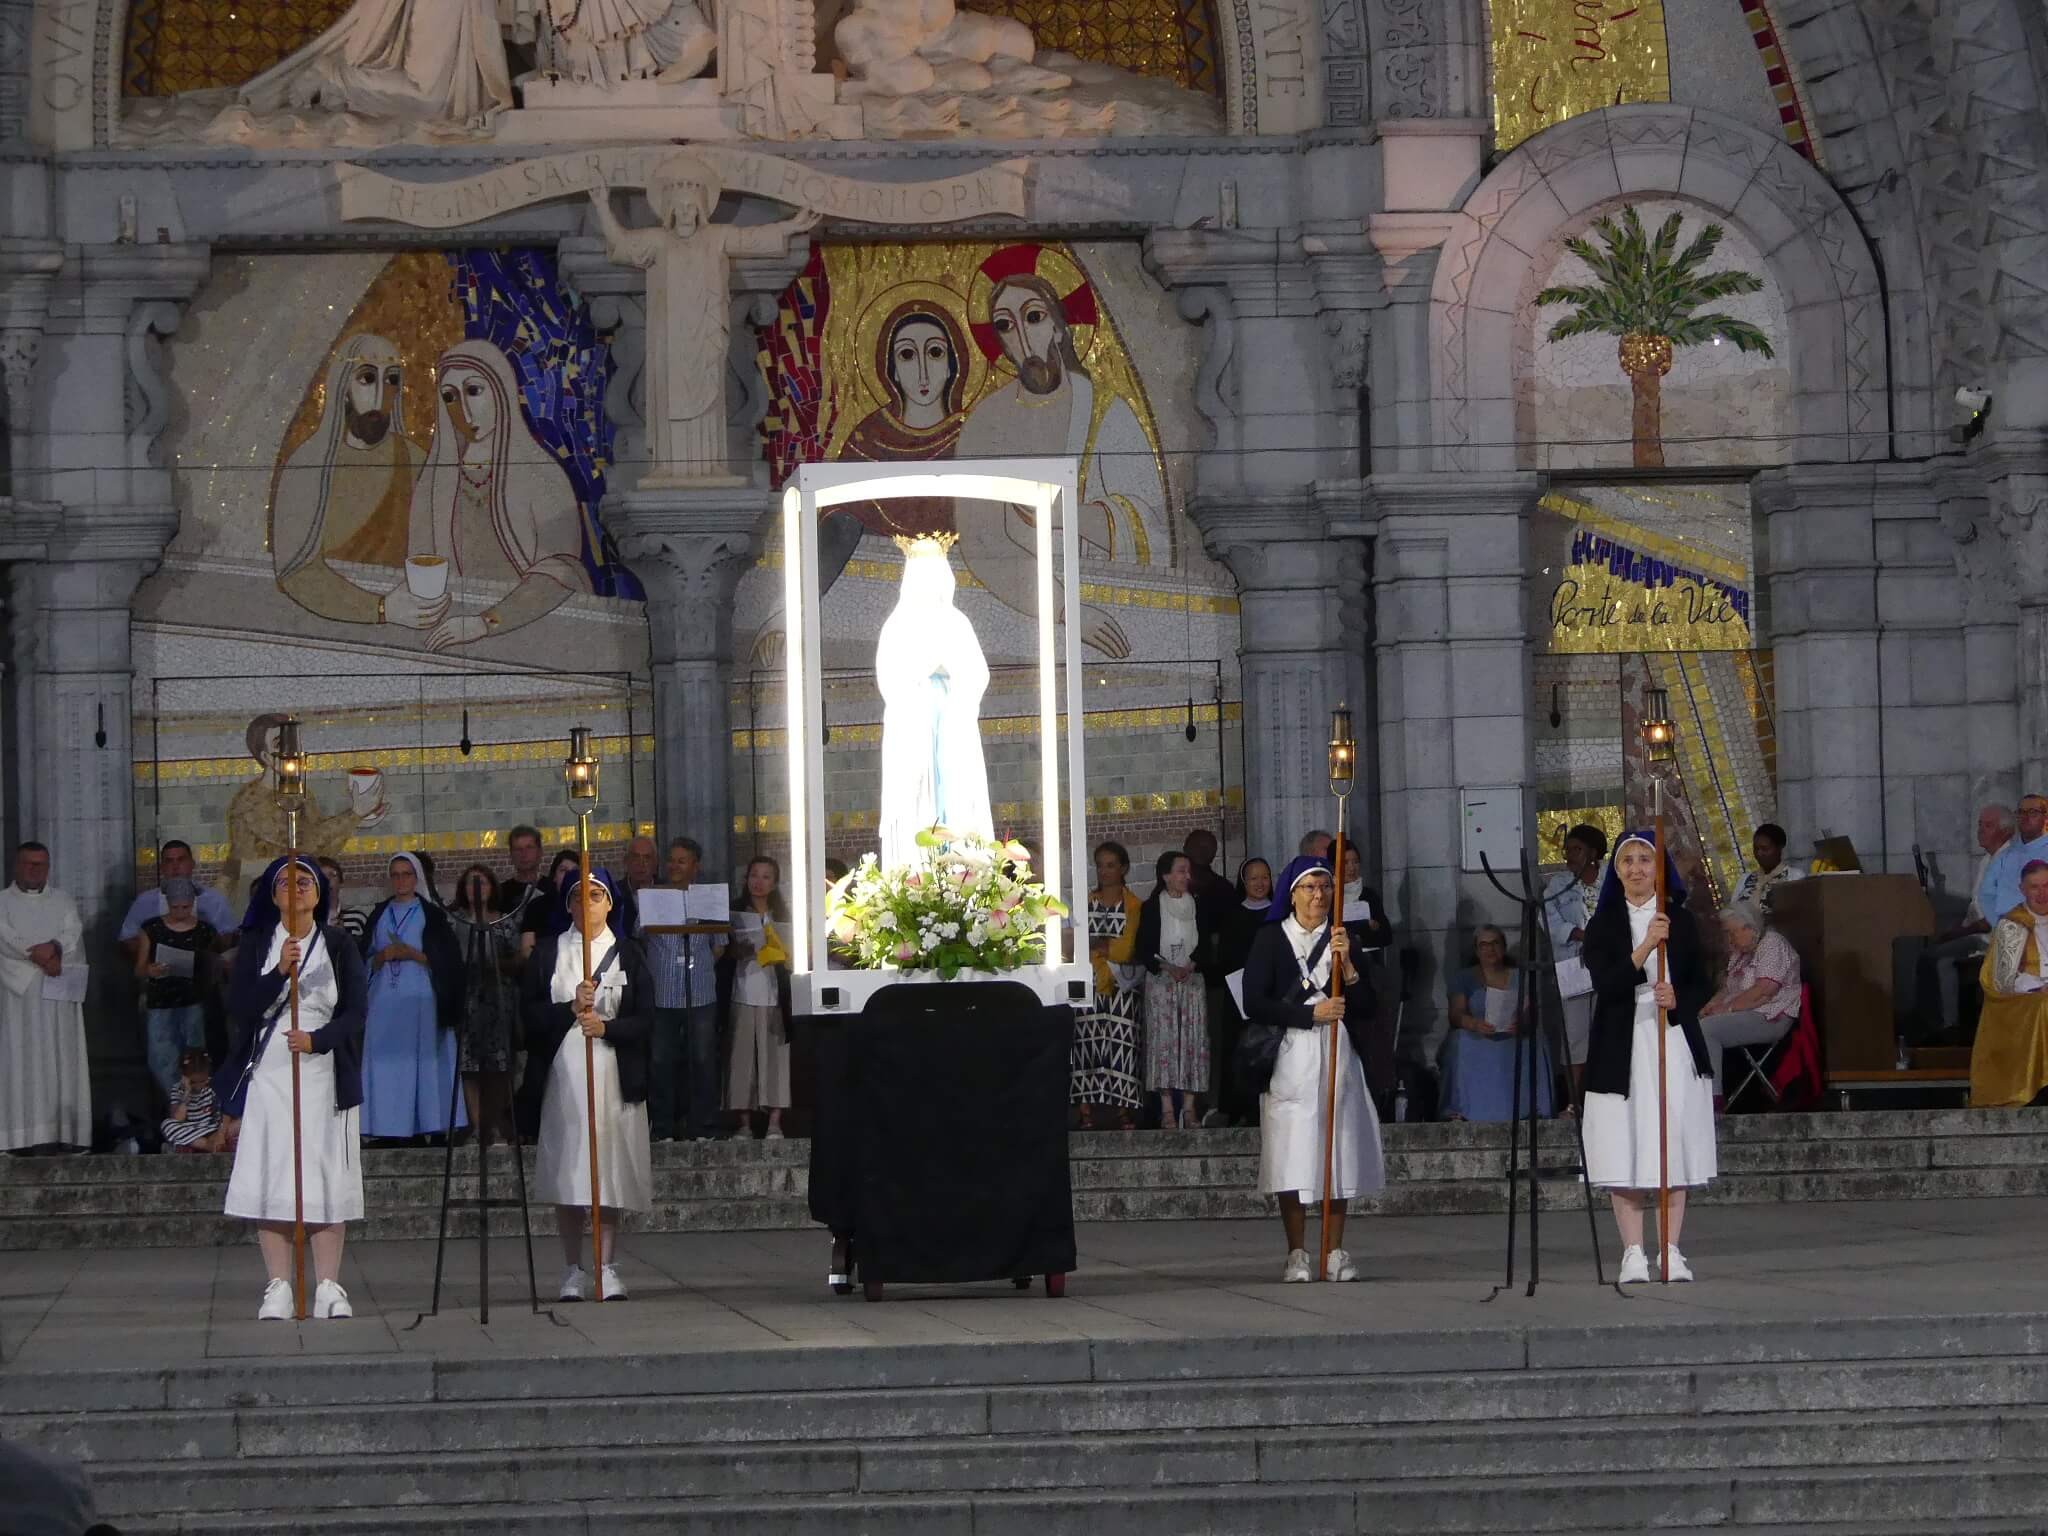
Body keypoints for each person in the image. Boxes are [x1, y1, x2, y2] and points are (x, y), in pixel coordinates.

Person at [219, 856, 368, 1320]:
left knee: (324, 1176)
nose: (294, 887)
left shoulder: (340, 944)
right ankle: (279, 1285)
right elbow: (240, 1007)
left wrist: (317, 1040)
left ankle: (328, 1285)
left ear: (320, 893)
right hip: (272, 1072)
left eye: (304, 881)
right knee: (275, 1174)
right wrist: (278, 972)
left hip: (323, 1070)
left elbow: (357, 1012)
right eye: (284, 881)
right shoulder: (259, 942)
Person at [1580, 832, 1716, 1284]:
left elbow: (1703, 980)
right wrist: (1644, 946)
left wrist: (1679, 996)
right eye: (1628, 861)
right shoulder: (1603, 925)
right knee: (1626, 1143)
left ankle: (1671, 1250)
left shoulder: (1681, 919)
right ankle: (1633, 1251)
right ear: (1615, 871)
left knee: (1671, 1143)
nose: (1636, 868)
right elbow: (1609, 983)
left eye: (1644, 860)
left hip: (1672, 1041)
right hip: (1622, 1046)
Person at [1243, 856, 1384, 1282]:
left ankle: (1334, 1249)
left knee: (1338, 1146)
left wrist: (1352, 971)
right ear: (1292, 894)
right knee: (1293, 1150)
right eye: (1309, 888)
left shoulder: (1343, 938)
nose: (1318, 895)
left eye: (1325, 887)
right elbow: (1254, 1001)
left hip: (1337, 1054)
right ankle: (1297, 1252)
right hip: (1291, 1053)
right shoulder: (1272, 939)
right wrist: (1309, 1015)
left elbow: (1369, 1006)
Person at [527, 866, 654, 1302]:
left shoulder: (629, 954)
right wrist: (568, 1008)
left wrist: (608, 1029)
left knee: (609, 1169)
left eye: (596, 895)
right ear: (568, 906)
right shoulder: (549, 953)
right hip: (565, 1076)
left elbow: (647, 1020)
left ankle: (606, 1264)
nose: (588, 903)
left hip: (613, 1073)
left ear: (611, 903)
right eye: (579, 896)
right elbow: (527, 1018)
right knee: (570, 1170)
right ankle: (571, 1268)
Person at [359, 852, 465, 1143]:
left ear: (416, 877)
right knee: (386, 1066)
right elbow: (363, 957)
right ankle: (388, 1129)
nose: (401, 880)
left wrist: (413, 954)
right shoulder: (379, 913)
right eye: (395, 874)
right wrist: (380, 957)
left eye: (406, 874)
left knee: (424, 1063)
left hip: (421, 999)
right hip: (383, 1001)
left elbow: (448, 961)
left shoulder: (432, 915)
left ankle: (427, 1125)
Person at [0, 842, 89, 1155]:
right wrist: (33, 954)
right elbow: (5, 938)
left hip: (56, 1001)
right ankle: (16, 1137)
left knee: (61, 1062)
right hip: (17, 1003)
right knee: (19, 1063)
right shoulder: (2, 903)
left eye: (41, 864)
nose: (35, 870)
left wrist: (55, 949)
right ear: (16, 865)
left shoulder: (63, 901)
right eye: (29, 863)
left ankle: (64, 1133)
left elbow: (73, 933)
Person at [643, 836, 725, 1143]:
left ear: (696, 866)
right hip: (662, 992)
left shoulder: (709, 899)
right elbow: (641, 937)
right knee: (661, 1061)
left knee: (703, 1060)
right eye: (671, 860)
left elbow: (719, 945)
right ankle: (663, 1127)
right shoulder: (652, 896)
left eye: (682, 860)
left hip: (700, 991)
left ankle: (704, 1126)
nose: (674, 865)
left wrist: (698, 966)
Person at [1440, 925, 1554, 1122]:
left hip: (1512, 1034)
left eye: (1495, 943)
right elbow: (1456, 1014)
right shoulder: (1463, 978)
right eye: (1483, 944)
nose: (1490, 949)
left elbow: (1530, 1012)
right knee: (1459, 1040)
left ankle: (1534, 1109)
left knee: (1537, 1041)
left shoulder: (1520, 976)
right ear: (1476, 950)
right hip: (1479, 1034)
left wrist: (1522, 1022)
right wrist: (1475, 1024)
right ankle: (1460, 1109)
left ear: (1503, 946)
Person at [1924, 803, 2016, 1033]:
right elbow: (1975, 909)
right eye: (1979, 825)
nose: (1980, 830)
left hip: (1993, 940)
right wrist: (1954, 930)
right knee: (1929, 953)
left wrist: (1957, 932)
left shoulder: (2009, 862)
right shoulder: (1987, 860)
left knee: (1937, 960)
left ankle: (1949, 1026)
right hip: (1977, 933)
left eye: (1988, 825)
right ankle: (1935, 1023)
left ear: (2006, 832)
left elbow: (1993, 919)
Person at [1137, 849, 1211, 1129]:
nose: (1186, 876)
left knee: (1192, 1042)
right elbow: (1143, 948)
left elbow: (1206, 942)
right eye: (1180, 870)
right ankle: (1167, 1108)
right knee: (1164, 1043)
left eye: (1187, 871)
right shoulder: (1152, 906)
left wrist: (1190, 965)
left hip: (1191, 983)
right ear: (1165, 875)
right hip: (1162, 984)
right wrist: (1168, 968)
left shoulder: (1198, 905)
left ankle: (1189, 1109)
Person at [1699, 899, 1803, 1097]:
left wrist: (1727, 1009)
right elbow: (1727, 988)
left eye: (1732, 932)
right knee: (1693, 1025)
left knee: (1708, 1029)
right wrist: (1711, 1005)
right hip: (1745, 1012)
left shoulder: (1772, 943)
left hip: (1770, 1016)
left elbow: (1764, 992)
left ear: (1749, 927)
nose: (1729, 939)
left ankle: (1712, 1099)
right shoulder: (1742, 952)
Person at [1072, 840, 1144, 1127]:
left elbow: (1126, 948)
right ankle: (1085, 1110)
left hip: (1121, 986)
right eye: (1100, 865)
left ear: (1123, 868)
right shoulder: (1086, 902)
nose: (1104, 871)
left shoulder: (1134, 904)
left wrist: (1101, 947)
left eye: (1111, 865)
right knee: (1085, 1045)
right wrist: (1100, 946)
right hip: (1089, 984)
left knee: (1122, 1045)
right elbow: (1079, 942)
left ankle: (1122, 1109)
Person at [449, 864, 522, 1145]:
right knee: (468, 1065)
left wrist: (496, 965)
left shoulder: (504, 921)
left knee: (499, 1065)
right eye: (470, 883)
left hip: (498, 999)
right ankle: (478, 1125)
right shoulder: (455, 921)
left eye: (481, 882)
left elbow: (517, 958)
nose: (476, 888)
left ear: (492, 886)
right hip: (466, 999)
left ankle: (495, 1123)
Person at [1971, 859, 2048, 1108]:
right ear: (2022, 889)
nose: (2042, 893)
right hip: (2022, 1000)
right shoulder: (2012, 925)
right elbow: (2003, 979)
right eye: (2034, 887)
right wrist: (2038, 985)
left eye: (2047, 886)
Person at [727, 855, 793, 1139]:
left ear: (775, 883)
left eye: (766, 876)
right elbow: (722, 953)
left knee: (775, 1058)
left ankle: (775, 1122)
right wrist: (737, 949)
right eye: (754, 875)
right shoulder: (734, 912)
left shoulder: (784, 915)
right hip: (742, 990)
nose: (759, 882)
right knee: (742, 1058)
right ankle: (744, 1123)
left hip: (775, 993)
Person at [135, 876, 217, 1102]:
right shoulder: (151, 929)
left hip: (193, 1001)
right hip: (161, 1002)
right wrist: (150, 970)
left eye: (185, 907)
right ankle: (176, 1102)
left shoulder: (204, 930)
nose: (180, 912)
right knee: (161, 1058)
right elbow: (139, 969)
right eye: (175, 907)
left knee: (196, 1058)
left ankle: (194, 1106)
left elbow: (212, 967)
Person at [1542, 823, 1608, 1089]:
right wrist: (1579, 934)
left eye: (1577, 849)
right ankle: (1574, 1102)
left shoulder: (1612, 880)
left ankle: (1606, 1092)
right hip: (1573, 963)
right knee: (1575, 1034)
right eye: (1567, 850)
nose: (1570, 855)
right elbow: (1546, 917)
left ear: (1593, 852)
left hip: (1609, 962)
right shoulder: (1558, 884)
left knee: (1608, 1027)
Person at [117, 839, 234, 961]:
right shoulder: (144, 902)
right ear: (162, 867)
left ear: (192, 863)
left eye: (181, 860)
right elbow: (126, 940)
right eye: (169, 861)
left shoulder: (215, 900)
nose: (175, 866)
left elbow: (229, 939)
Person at [1978, 794, 2048, 931]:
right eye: (2021, 812)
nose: (2025, 817)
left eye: (2033, 812)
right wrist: (2000, 924)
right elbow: (1986, 894)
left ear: (2045, 818)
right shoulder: (2004, 856)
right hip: (2008, 933)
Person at [160, 1047, 226, 1154]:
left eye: (202, 1081)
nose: (199, 1086)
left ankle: (189, 1144)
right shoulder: (178, 1089)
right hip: (189, 1128)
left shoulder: (213, 1086)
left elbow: (219, 1117)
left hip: (209, 1129)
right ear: (185, 1077)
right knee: (166, 1124)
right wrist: (186, 1094)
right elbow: (178, 1119)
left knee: (226, 1129)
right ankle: (206, 1146)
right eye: (194, 1082)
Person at [1733, 823, 1806, 913]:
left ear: (1779, 848)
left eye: (1765, 849)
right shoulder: (1744, 880)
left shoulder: (1794, 877)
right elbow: (1733, 911)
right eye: (1756, 849)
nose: (1759, 854)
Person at [318, 857, 370, 947]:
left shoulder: (357, 918)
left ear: (341, 881)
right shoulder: (307, 920)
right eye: (322, 876)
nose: (327, 880)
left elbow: (364, 955)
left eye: (332, 875)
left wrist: (344, 937)